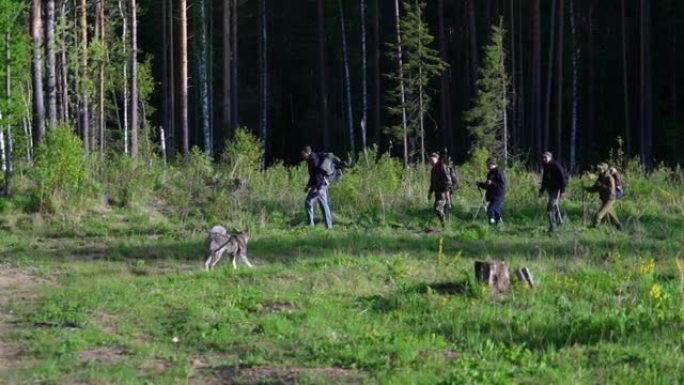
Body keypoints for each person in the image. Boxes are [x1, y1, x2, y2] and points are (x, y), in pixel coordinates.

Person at [301, 145, 332, 229]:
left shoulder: (313, 160)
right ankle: (328, 226)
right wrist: (308, 187)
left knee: (308, 202)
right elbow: (313, 176)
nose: (302, 156)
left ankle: (310, 225)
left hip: (319, 185)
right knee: (323, 205)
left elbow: (318, 175)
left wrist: (318, 188)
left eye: (303, 154)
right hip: (322, 184)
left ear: (307, 152)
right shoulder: (311, 159)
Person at [585, 163, 622, 230]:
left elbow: (610, 190)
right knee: (612, 216)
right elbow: (594, 188)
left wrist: (601, 186)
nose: (598, 170)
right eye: (598, 168)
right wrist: (586, 188)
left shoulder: (609, 178)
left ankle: (594, 229)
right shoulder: (600, 177)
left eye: (600, 169)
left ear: (604, 169)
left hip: (610, 199)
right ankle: (620, 228)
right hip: (604, 199)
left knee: (599, 215)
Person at [539, 151, 568, 231]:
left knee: (550, 208)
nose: (544, 159)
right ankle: (560, 222)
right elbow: (544, 179)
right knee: (555, 206)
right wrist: (541, 191)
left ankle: (553, 226)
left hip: (556, 189)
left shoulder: (556, 166)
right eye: (543, 157)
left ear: (550, 157)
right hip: (550, 189)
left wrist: (562, 191)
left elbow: (562, 179)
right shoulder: (546, 166)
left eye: (546, 157)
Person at [477, 157, 506, 225]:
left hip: (498, 195)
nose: (487, 166)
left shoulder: (498, 172)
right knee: (496, 211)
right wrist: (480, 184)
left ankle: (492, 224)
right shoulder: (490, 173)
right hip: (492, 196)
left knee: (491, 209)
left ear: (491, 164)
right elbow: (487, 185)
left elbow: (502, 184)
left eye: (487, 164)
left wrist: (492, 183)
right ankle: (498, 225)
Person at [427, 153, 453, 226]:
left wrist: (446, 192)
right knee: (442, 210)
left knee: (437, 208)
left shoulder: (442, 167)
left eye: (432, 160)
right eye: (430, 161)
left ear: (437, 159)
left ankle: (444, 224)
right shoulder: (433, 169)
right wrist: (430, 193)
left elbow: (448, 181)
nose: (431, 162)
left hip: (443, 192)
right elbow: (432, 182)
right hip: (437, 193)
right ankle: (445, 226)